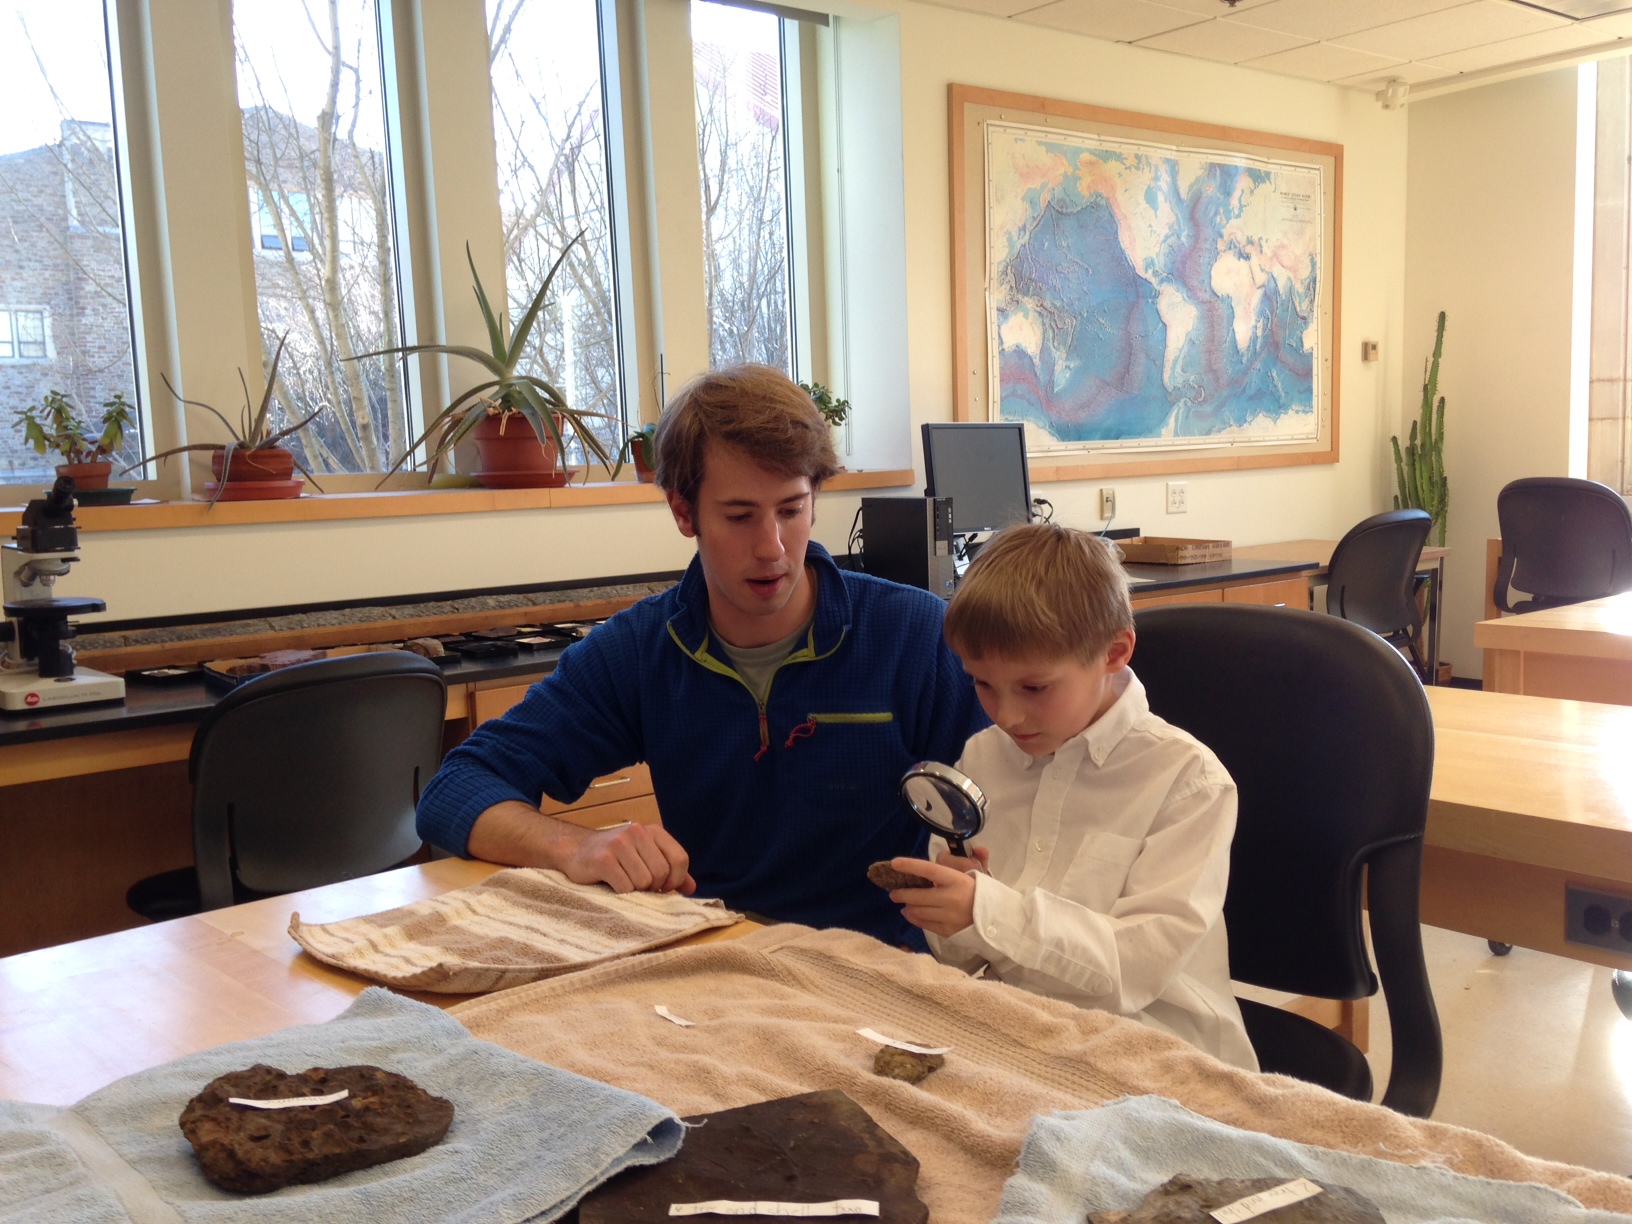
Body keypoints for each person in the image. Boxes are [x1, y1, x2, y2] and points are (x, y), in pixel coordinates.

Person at [416, 364, 987, 946]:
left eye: (791, 510)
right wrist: (576, 845)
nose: (773, 549)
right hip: (719, 967)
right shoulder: (641, 650)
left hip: (885, 972)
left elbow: (1027, 803)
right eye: (739, 517)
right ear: (683, 512)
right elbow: (456, 788)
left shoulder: (916, 636)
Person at [882, 523, 1257, 1070]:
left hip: (1158, 1053)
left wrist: (991, 911)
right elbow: (966, 958)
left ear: (1115, 652)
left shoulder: (1188, 781)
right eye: (983, 684)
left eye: (1035, 688)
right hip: (1020, 1035)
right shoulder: (983, 759)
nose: (1006, 715)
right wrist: (961, 918)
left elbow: (1133, 971)